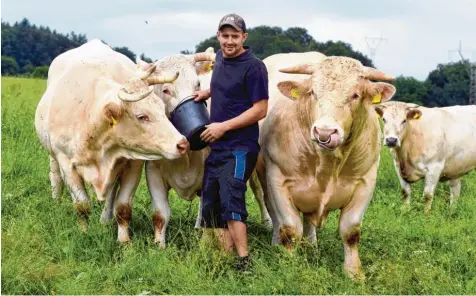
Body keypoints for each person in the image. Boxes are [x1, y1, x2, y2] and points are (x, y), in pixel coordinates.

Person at [193, 13, 269, 271]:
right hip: (217, 146)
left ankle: (244, 260)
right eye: (225, 36)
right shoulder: (218, 59)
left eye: (235, 36)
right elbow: (225, 85)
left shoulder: (254, 67)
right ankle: (224, 260)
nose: (229, 41)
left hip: (240, 147)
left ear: (244, 38)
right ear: (218, 36)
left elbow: (260, 109)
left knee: (231, 201)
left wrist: (223, 126)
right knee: (211, 203)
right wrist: (206, 92)